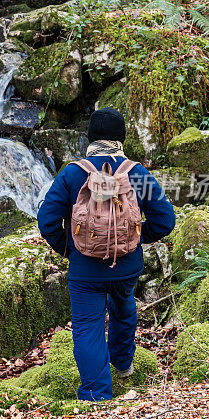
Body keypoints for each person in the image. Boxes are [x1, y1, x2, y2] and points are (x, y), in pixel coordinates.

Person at [37, 107, 175, 401]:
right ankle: (123, 364)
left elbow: (47, 221)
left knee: (88, 325)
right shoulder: (136, 173)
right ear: (121, 139)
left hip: (85, 271)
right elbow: (165, 220)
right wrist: (136, 239)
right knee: (124, 306)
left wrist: (70, 248)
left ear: (90, 138)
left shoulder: (73, 173)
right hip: (126, 267)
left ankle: (97, 394)